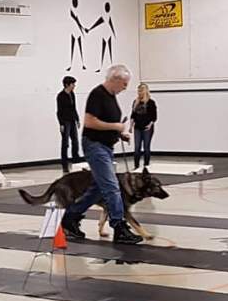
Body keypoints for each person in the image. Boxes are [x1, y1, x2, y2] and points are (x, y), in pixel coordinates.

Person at [60, 64, 143, 245]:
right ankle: (119, 226)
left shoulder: (111, 97)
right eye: (124, 83)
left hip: (105, 146)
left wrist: (120, 134)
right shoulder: (98, 94)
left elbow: (106, 122)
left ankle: (70, 219)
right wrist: (117, 127)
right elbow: (90, 122)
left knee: (97, 189)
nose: (125, 87)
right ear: (114, 79)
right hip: (95, 146)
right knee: (112, 187)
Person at [57, 76, 81, 173]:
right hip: (65, 121)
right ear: (67, 84)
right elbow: (59, 111)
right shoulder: (61, 96)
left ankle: (76, 161)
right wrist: (61, 123)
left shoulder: (72, 94)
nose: (74, 86)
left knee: (75, 141)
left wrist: (77, 119)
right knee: (65, 143)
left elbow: (74, 107)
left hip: (72, 120)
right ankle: (65, 164)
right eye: (72, 84)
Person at [131, 83, 157, 169]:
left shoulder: (151, 102)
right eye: (138, 91)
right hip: (137, 127)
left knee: (146, 147)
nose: (139, 92)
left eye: (141, 91)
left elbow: (154, 116)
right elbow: (133, 115)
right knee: (137, 147)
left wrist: (150, 125)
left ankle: (146, 165)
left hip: (147, 127)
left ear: (145, 91)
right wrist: (131, 127)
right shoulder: (136, 102)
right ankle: (136, 166)